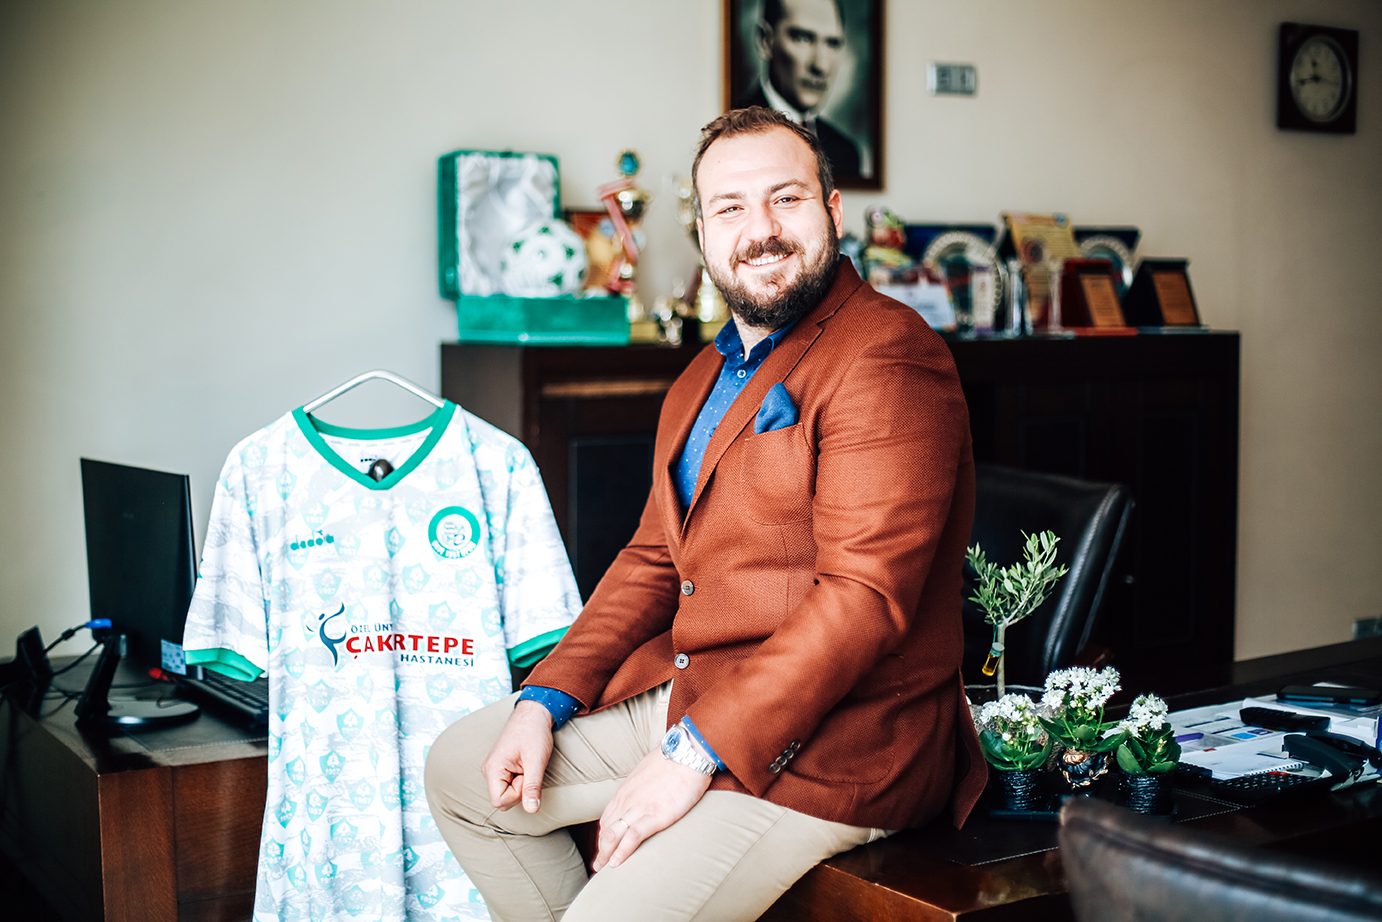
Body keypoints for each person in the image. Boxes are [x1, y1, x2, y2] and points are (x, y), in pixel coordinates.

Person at [424, 106, 984, 922]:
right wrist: (544, 698)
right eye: (730, 208)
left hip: (845, 741)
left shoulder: (888, 355)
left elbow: (862, 599)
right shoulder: (700, 379)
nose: (761, 230)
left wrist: (692, 754)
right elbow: (654, 558)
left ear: (832, 211)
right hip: (696, 689)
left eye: (786, 199)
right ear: (703, 234)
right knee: (460, 772)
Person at [733, 0, 863, 179]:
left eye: (832, 43)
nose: (821, 65)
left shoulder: (845, 154)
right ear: (765, 40)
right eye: (803, 38)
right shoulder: (733, 136)